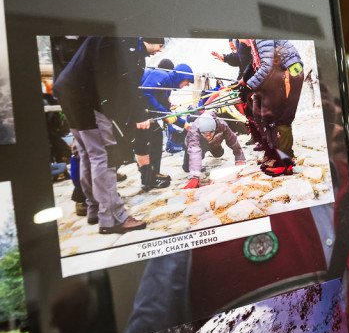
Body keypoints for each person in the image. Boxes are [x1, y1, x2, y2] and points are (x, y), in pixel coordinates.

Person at [54, 38, 165, 234]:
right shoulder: (123, 39)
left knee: (88, 153)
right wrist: (139, 115)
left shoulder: (106, 32)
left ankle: (94, 209)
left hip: (68, 88)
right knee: (105, 156)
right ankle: (112, 217)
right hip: (88, 96)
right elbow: (127, 83)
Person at [239, 39, 305, 176]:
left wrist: (249, 86)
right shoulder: (255, 41)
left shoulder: (260, 37)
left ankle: (284, 163)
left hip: (290, 72)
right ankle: (285, 159)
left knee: (282, 118)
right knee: (275, 117)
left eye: (239, 39)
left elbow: (266, 67)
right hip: (282, 73)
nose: (240, 42)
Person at [137, 61, 193, 190]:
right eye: (187, 81)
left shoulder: (168, 87)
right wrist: (165, 114)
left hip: (145, 116)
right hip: (138, 114)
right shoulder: (162, 75)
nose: (187, 85)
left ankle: (153, 175)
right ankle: (148, 178)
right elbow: (146, 92)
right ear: (180, 77)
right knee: (148, 141)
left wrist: (185, 124)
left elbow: (167, 112)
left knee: (156, 138)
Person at [182, 112, 245, 189]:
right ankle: (203, 152)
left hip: (215, 141)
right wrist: (195, 177)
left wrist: (240, 159)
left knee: (219, 153)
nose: (208, 136)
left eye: (210, 133)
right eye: (205, 134)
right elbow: (194, 151)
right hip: (197, 145)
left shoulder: (222, 124)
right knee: (188, 167)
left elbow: (233, 141)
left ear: (214, 128)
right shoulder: (194, 130)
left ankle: (215, 147)